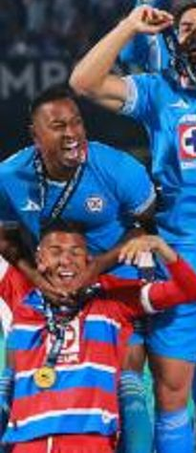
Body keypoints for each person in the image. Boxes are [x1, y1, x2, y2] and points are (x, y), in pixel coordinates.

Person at [69, 0, 196, 453]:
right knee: (170, 392)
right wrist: (131, 23)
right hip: (176, 260)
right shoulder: (158, 90)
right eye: (186, 29)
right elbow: (83, 81)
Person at [0, 85, 159, 453]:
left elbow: (146, 226)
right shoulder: (10, 175)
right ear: (35, 135)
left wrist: (97, 268)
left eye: (77, 122)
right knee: (21, 374)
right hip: (51, 287)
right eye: (58, 126)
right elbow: (7, 239)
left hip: (113, 284)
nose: (72, 133)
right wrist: (39, 279)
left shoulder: (118, 168)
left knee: (127, 379)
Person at [0, 223, 196, 453]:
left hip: (91, 443)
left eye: (76, 252)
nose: (66, 260)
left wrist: (160, 247)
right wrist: (31, 274)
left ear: (89, 260)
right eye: (55, 251)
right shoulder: (22, 292)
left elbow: (191, 290)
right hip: (27, 443)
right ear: (40, 258)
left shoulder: (112, 298)